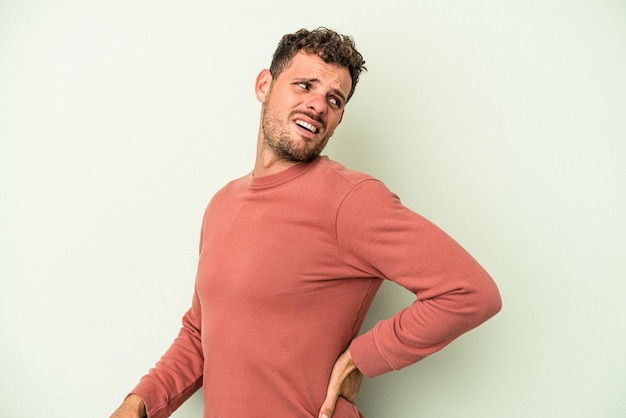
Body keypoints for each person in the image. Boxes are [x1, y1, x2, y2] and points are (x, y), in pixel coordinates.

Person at [110, 27, 502, 418]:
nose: (318, 105)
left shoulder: (350, 200)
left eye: (334, 99)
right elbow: (200, 335)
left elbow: (469, 292)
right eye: (304, 85)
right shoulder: (222, 204)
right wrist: (139, 403)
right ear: (265, 84)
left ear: (339, 118)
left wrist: (361, 357)